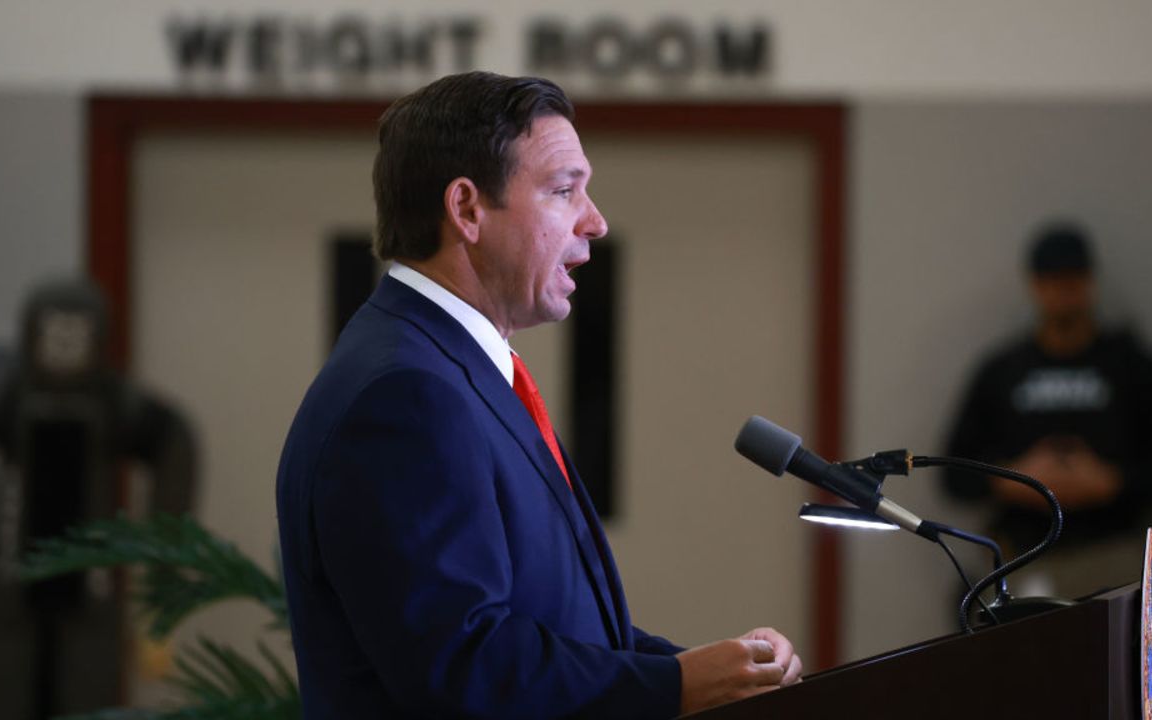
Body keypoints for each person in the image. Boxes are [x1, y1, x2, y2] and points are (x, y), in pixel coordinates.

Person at [275, 72, 802, 719]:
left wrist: (704, 672)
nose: (596, 221)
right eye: (563, 191)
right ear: (467, 210)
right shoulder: (405, 395)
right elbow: (462, 665)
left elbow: (551, 627)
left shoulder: (442, 365)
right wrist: (674, 688)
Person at [941, 223, 1152, 596]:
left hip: (1112, 554)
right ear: (1034, 284)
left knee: (1118, 654)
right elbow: (952, 474)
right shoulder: (1002, 370)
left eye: (1072, 279)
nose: (1063, 291)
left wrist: (1111, 482)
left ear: (1089, 281)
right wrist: (1016, 480)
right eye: (1052, 279)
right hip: (1024, 555)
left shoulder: (1131, 366)